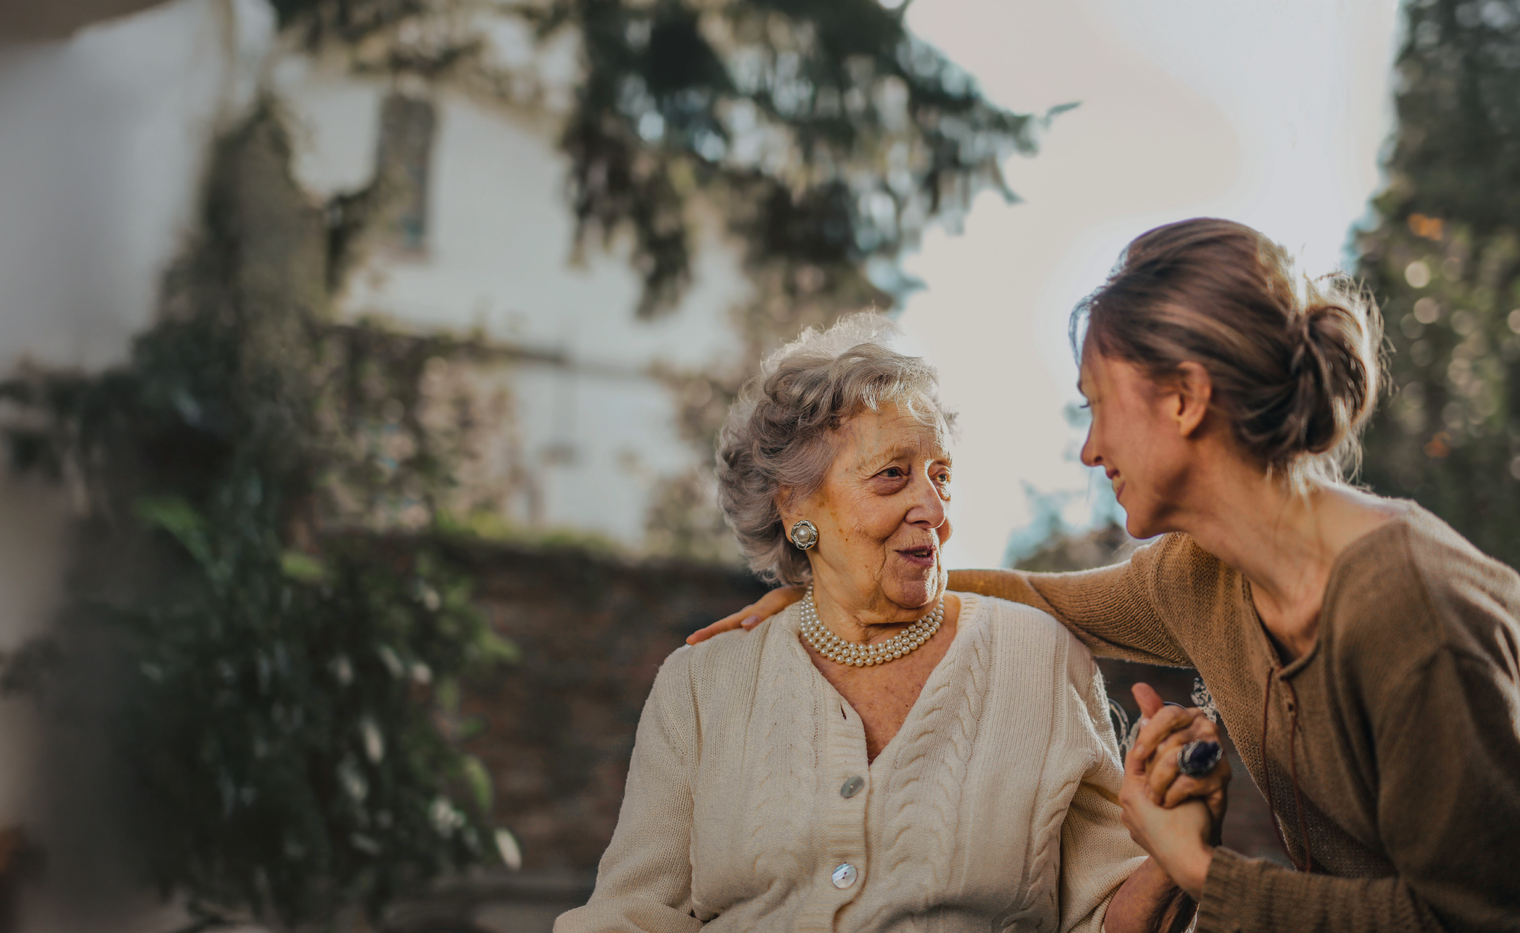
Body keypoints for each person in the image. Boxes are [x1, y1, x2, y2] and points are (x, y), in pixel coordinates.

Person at [689, 218, 1520, 933]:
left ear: (1186, 398)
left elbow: (1476, 917)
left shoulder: (1408, 611)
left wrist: (1201, 869)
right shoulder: (1202, 575)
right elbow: (1035, 596)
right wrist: (832, 583)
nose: (1090, 449)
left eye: (1096, 403)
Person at [556, 315, 1209, 933]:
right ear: (795, 506)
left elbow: (1107, 919)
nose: (932, 507)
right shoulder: (701, 684)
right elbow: (630, 915)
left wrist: (1171, 850)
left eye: (942, 475)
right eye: (893, 475)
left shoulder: (1038, 658)